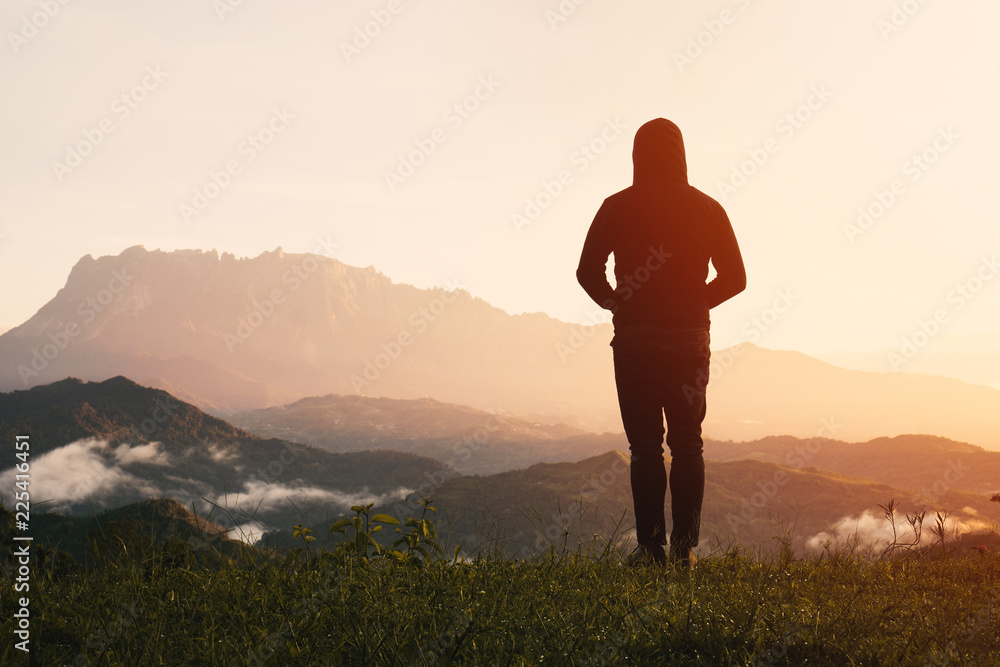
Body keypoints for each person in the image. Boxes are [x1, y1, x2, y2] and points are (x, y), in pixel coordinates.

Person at [576, 118, 746, 567]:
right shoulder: (708, 208)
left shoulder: (617, 206)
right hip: (691, 339)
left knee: (646, 447)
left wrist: (618, 303)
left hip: (636, 341)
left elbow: (586, 271)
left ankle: (650, 552)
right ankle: (685, 551)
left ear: (637, 156)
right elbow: (737, 278)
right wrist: (694, 305)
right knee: (689, 443)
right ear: (682, 155)